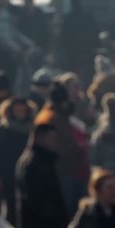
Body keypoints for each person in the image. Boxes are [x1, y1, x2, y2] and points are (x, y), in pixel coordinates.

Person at [35, 83, 90, 216]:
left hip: (62, 169)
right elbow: (59, 146)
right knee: (66, 209)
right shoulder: (55, 118)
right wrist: (78, 148)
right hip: (62, 170)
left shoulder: (48, 115)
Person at [16, 123, 69, 228]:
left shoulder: (43, 161)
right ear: (41, 138)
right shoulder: (34, 164)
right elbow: (36, 198)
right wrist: (55, 219)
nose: (55, 143)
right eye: (52, 139)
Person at [0, 97, 37, 225]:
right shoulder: (2, 128)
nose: (20, 112)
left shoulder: (32, 128)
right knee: (10, 209)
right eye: (17, 109)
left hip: (27, 175)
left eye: (22, 110)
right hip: (7, 174)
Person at [59, 0, 99, 76]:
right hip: (87, 51)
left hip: (73, 52)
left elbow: (63, 37)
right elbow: (95, 32)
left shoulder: (68, 18)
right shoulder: (88, 17)